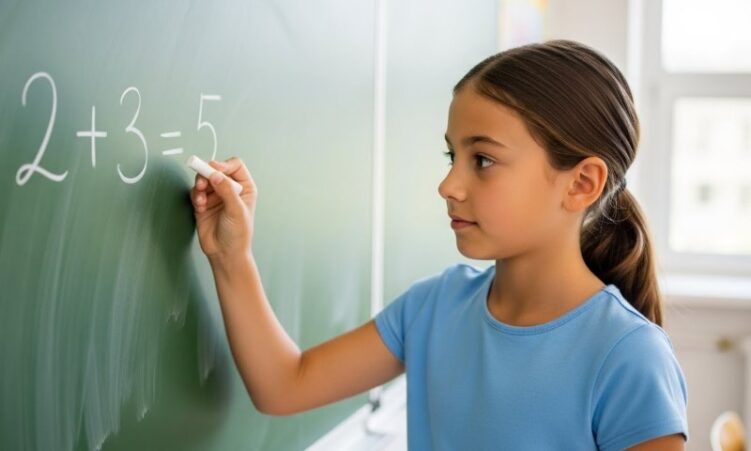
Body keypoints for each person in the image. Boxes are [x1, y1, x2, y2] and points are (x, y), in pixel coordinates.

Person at [190, 39, 688, 450]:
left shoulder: (628, 355)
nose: (448, 185)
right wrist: (231, 256)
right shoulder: (435, 307)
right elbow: (285, 385)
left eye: (483, 160)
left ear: (581, 184)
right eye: (453, 155)